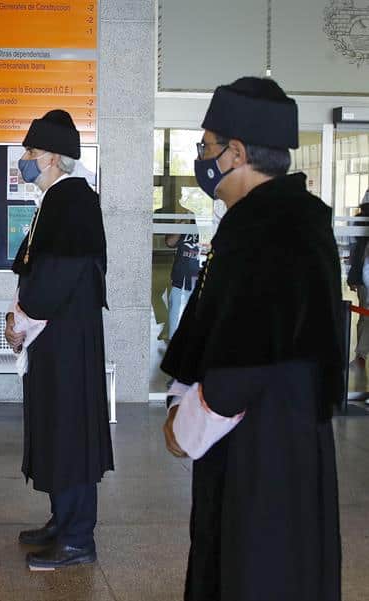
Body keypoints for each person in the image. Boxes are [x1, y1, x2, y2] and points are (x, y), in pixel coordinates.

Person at [161, 77, 342, 601]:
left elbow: (247, 360)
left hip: (262, 448)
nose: (201, 158)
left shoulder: (268, 231)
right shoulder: (287, 219)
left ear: (236, 153)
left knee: (253, 567)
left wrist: (184, 427)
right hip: (284, 433)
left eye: (206, 147)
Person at [3, 109, 114, 571]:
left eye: (30, 151)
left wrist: (23, 319)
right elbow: (34, 267)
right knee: (55, 426)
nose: (24, 159)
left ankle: (77, 537)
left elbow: (58, 275)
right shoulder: (57, 198)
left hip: (67, 342)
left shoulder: (73, 200)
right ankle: (60, 520)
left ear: (51, 157)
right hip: (54, 340)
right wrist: (21, 314)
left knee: (69, 431)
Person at [164, 206, 200, 339]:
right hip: (180, 277)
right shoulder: (183, 227)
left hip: (196, 277)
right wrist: (183, 222)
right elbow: (169, 242)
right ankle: (174, 341)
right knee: (175, 311)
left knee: (193, 311)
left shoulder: (205, 226)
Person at [348, 196, 369, 369]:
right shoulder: (361, 221)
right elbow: (356, 250)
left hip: (363, 275)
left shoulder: (359, 220)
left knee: (365, 315)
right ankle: (361, 354)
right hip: (364, 275)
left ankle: (361, 355)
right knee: (365, 314)